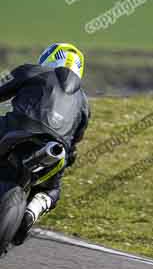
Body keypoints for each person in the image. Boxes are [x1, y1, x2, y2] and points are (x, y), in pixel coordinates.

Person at [0, 43, 90, 245]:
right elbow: (76, 143)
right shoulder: (84, 102)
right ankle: (34, 210)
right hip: (56, 150)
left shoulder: (31, 71)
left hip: (18, 130)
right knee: (53, 190)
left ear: (49, 58)